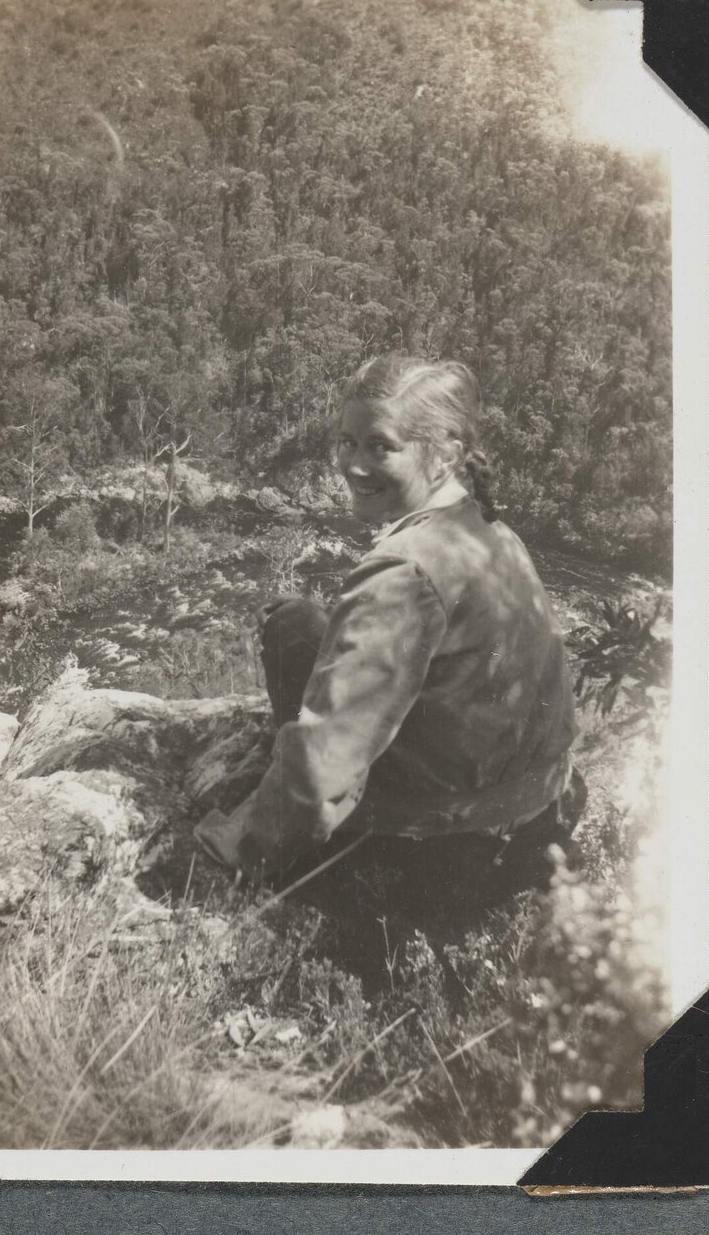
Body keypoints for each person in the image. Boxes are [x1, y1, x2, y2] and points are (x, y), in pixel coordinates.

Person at [195, 354, 584, 982]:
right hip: (537, 810)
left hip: (449, 846)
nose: (353, 464)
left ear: (445, 452)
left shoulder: (405, 570)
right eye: (346, 441)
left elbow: (325, 769)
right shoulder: (487, 526)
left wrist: (243, 849)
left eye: (381, 446)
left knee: (290, 635)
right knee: (296, 621)